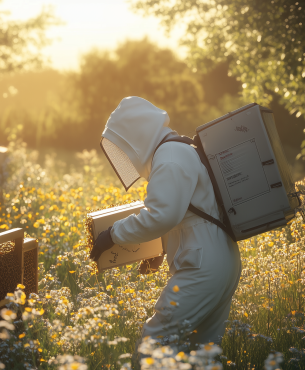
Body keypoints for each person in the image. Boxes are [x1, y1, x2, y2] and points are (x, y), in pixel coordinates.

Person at [90, 96, 241, 346]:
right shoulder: (178, 149)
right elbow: (187, 214)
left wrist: (113, 234)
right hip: (219, 260)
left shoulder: (170, 156)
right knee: (200, 352)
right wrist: (159, 249)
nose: (125, 155)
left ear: (135, 135)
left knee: (155, 340)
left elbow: (162, 216)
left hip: (202, 266)